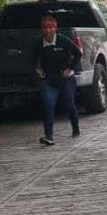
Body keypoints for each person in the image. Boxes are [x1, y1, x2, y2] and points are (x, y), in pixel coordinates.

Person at [32, 16, 82, 145]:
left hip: (66, 79)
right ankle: (49, 136)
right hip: (48, 79)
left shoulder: (63, 41)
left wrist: (69, 68)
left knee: (69, 104)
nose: (48, 31)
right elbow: (32, 58)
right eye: (45, 28)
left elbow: (78, 54)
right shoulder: (38, 42)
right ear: (41, 29)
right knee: (48, 105)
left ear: (55, 28)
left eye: (51, 27)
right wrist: (37, 69)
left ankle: (75, 127)